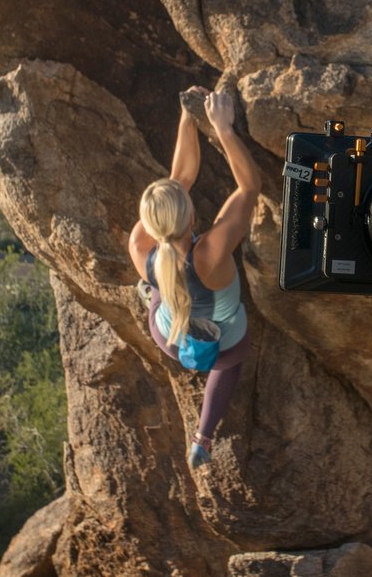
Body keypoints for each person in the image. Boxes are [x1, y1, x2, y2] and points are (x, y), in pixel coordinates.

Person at [127, 86, 260, 468]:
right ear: (190, 216)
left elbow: (179, 178)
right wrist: (223, 129)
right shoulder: (211, 253)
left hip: (168, 335)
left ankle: (152, 289)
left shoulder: (140, 245)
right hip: (223, 340)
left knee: (160, 285)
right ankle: (202, 438)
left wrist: (188, 114)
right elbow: (249, 188)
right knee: (230, 359)